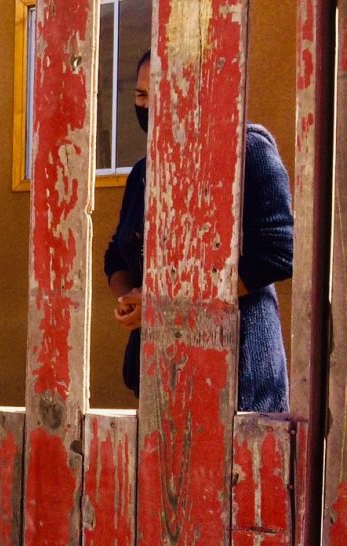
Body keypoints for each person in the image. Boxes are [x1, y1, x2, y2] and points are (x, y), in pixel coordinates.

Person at [105, 50, 293, 412]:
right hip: (158, 373)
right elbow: (116, 253)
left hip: (239, 375)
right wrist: (129, 298)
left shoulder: (248, 149)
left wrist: (168, 305)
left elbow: (277, 253)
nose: (148, 108)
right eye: (141, 97)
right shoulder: (143, 173)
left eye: (160, 95)